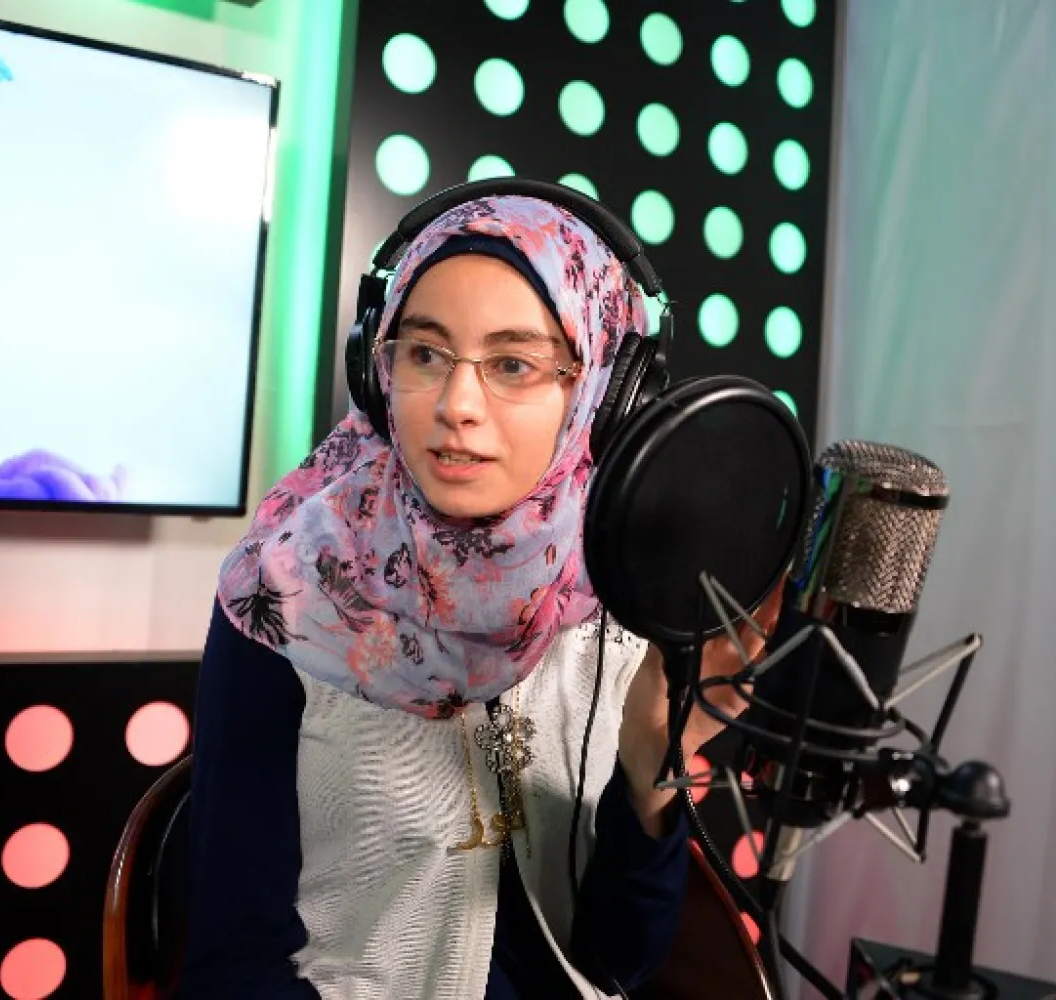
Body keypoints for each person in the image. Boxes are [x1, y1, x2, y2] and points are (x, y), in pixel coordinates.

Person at [180, 187, 779, 999]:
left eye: (512, 365)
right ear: (375, 365)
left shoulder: (618, 607)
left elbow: (617, 961)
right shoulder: (280, 596)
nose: (457, 406)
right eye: (424, 353)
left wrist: (650, 764)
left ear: (604, 392)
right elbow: (232, 963)